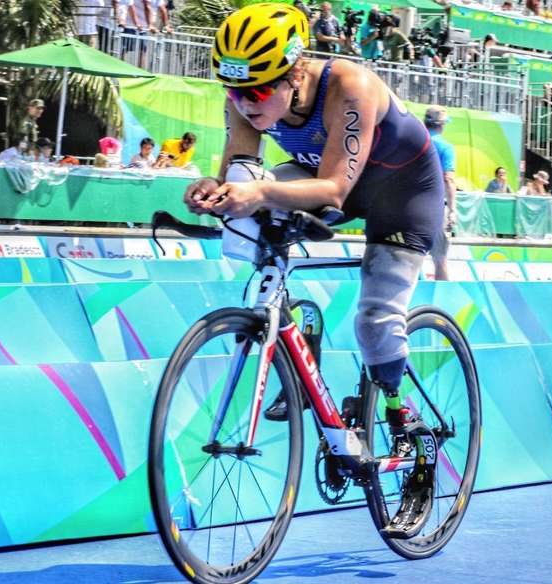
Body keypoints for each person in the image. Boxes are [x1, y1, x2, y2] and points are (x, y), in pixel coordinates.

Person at [189, 6, 444, 534]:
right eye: (233, 92)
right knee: (252, 213)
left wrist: (257, 190)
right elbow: (242, 170)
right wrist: (217, 192)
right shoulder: (245, 93)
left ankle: (408, 430)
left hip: (402, 192)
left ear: (295, 73)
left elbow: (332, 190)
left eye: (257, 93)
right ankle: (293, 330)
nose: (243, 103)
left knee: (375, 321)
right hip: (324, 178)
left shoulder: (351, 85)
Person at [423, 106, 456, 281]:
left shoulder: (412, 142)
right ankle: (441, 302)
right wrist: (452, 210)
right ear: (442, 125)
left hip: (404, 205)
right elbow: (448, 179)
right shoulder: (445, 147)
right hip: (433, 208)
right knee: (440, 259)